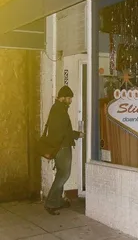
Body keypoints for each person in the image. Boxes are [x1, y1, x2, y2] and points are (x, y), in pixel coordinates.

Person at [44, 86, 84, 215]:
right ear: (63, 97)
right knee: (63, 175)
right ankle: (51, 202)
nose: (71, 101)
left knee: (61, 174)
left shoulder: (58, 108)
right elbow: (63, 132)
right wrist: (77, 135)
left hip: (60, 146)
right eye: (69, 98)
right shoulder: (59, 110)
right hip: (62, 147)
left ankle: (57, 201)